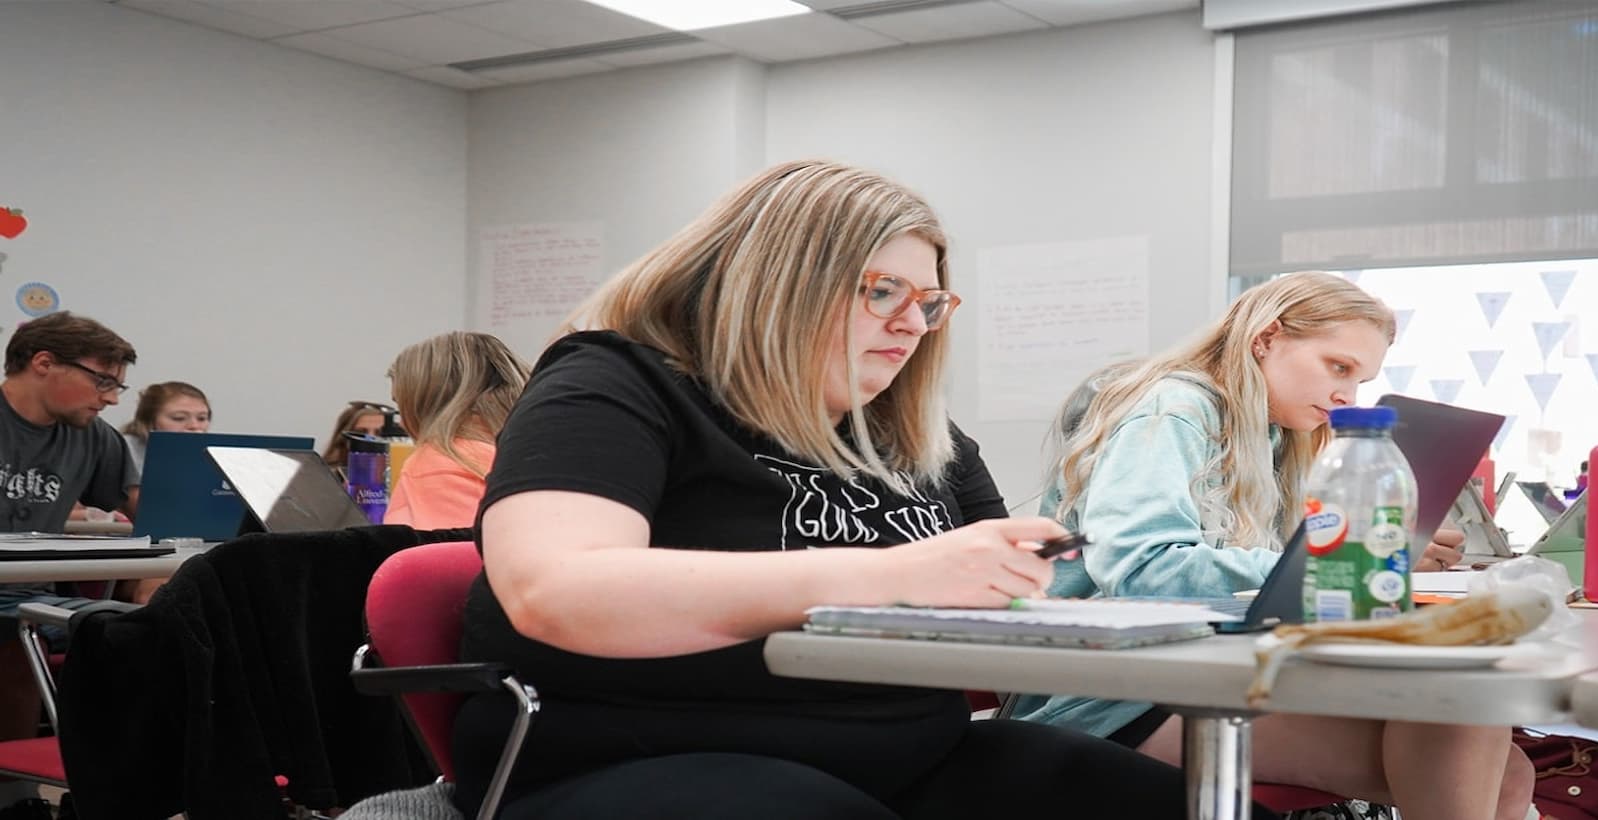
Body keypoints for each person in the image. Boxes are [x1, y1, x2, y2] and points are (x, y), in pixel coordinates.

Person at [451, 160, 1216, 820]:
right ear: (773, 284)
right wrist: (899, 577)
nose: (914, 324)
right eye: (883, 292)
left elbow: (1014, 603)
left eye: (928, 301)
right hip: (644, 754)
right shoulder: (616, 383)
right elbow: (556, 590)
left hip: (909, 756)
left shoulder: (909, 432)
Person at [1008, 272, 1533, 820]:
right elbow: (1142, 565)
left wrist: (1373, 559)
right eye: (1338, 367)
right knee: (1462, 743)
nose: (1346, 396)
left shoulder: (1277, 435)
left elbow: (1267, 576)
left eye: (1360, 381)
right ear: (1266, 339)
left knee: (1502, 759)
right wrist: (1331, 565)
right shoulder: (1173, 407)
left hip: (1213, 667)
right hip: (1117, 693)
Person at [0, 311, 141, 819]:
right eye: (102, 380)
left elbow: (149, 514)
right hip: (17, 597)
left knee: (123, 630)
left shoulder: (95, 437)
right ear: (43, 363)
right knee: (18, 635)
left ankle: (22, 794)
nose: (110, 398)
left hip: (24, 594)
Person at [382, 332, 528, 530]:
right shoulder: (537, 450)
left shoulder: (440, 462)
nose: (401, 423)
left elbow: (452, 556)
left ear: (422, 405)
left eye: (401, 407)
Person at [118, 380, 212, 469]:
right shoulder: (123, 449)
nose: (194, 426)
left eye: (202, 418)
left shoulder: (214, 453)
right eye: (179, 418)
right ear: (150, 421)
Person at [322, 401, 389, 481]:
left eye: (380, 434)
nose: (371, 439)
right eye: (361, 433)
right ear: (344, 440)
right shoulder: (323, 478)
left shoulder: (400, 477)